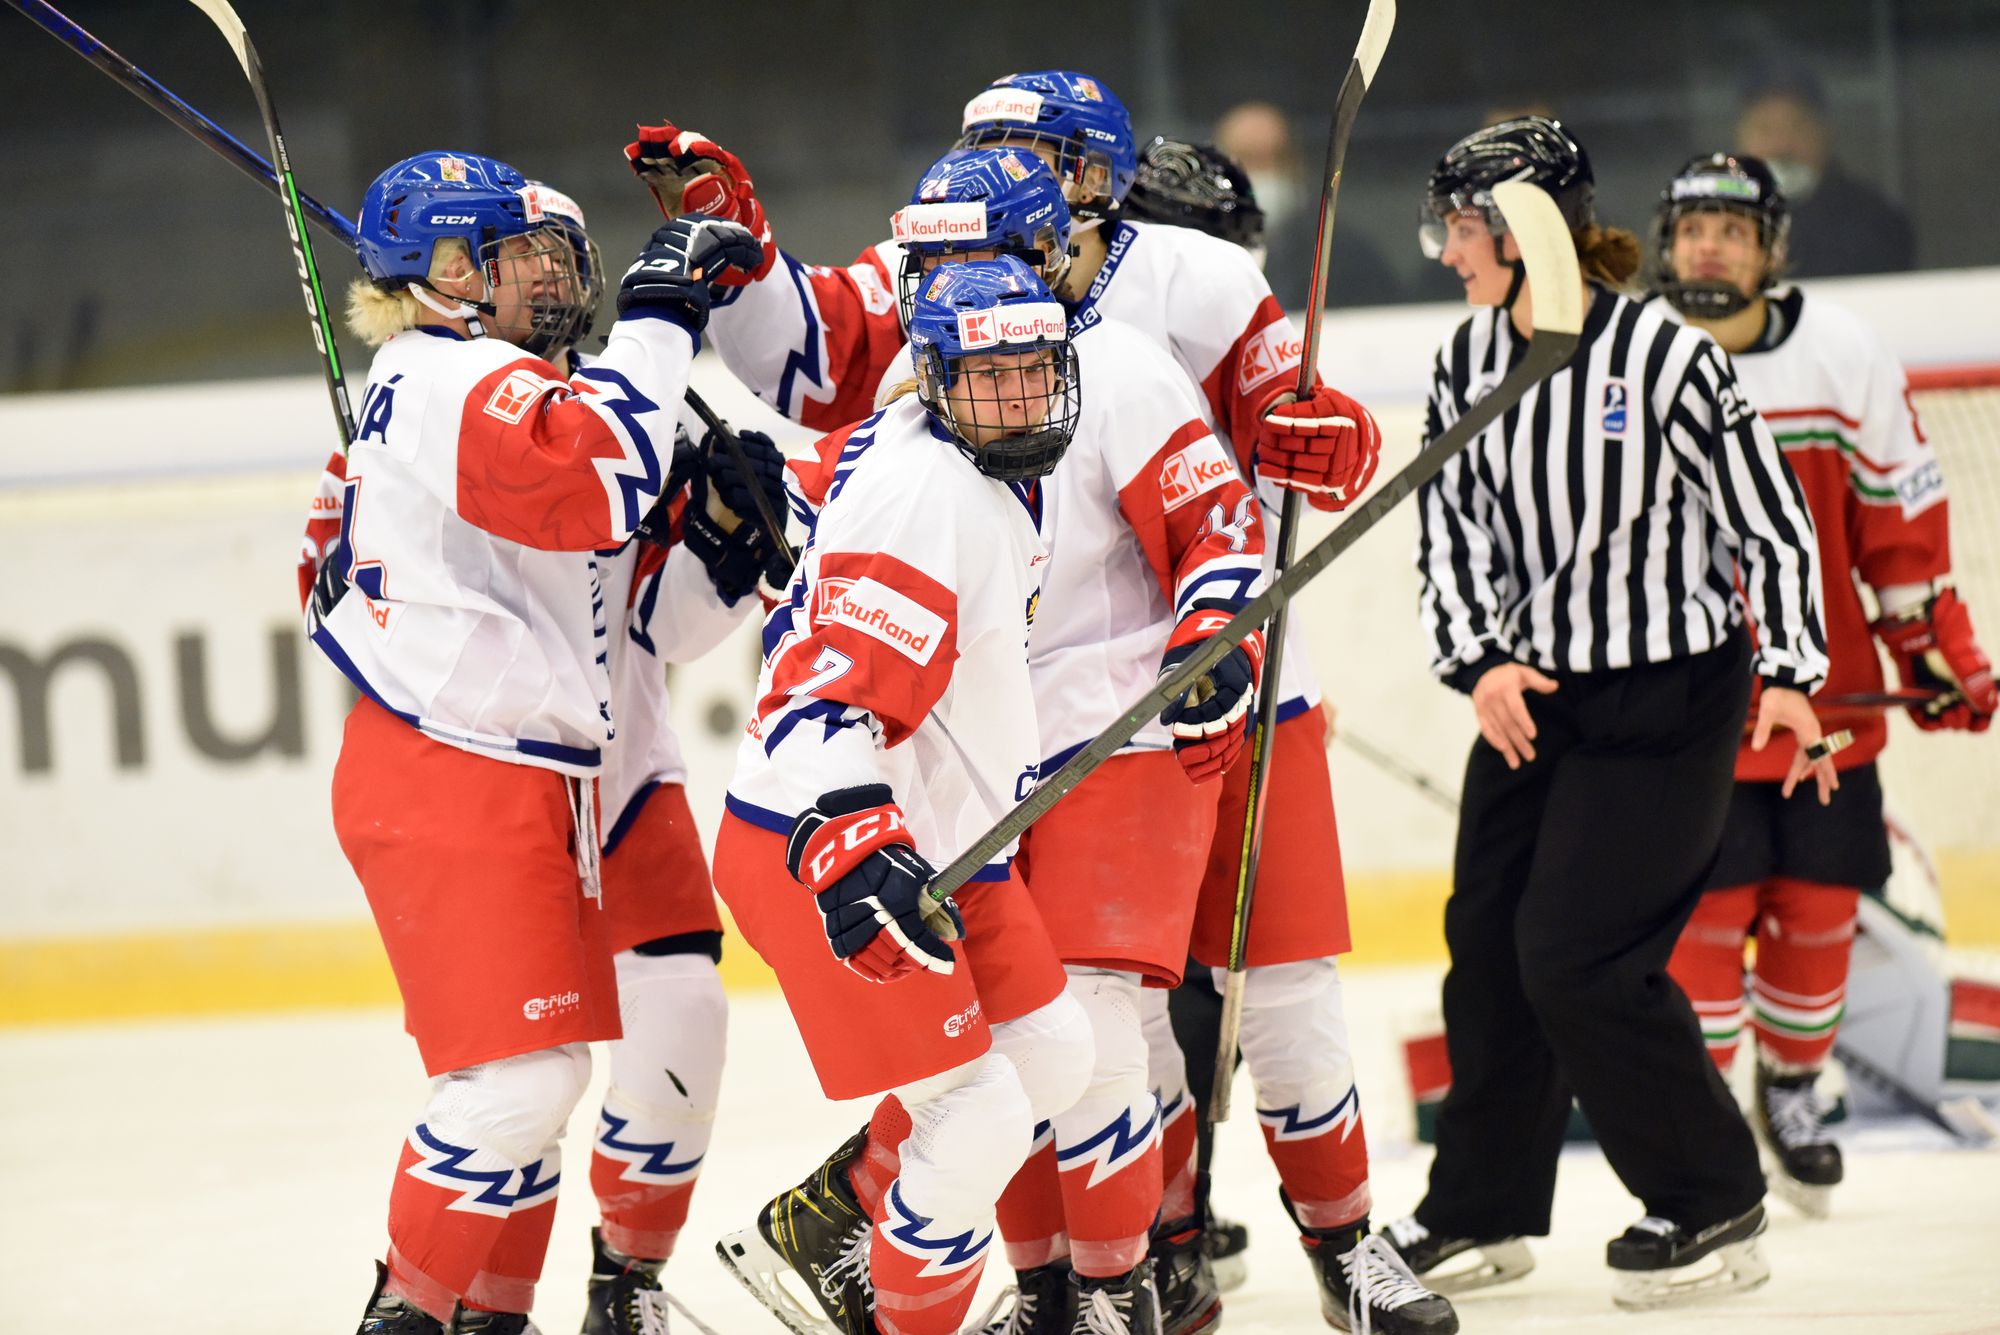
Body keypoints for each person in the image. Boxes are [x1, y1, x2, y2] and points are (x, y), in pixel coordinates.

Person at [629, 73, 1450, 1335]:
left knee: (1272, 998)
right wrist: (731, 315)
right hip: (1042, 756)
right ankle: (1088, 1281)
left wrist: (1261, 539)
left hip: (1204, 702)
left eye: (1027, 180)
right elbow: (817, 366)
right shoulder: (926, 373)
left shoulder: (1162, 312)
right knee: (1083, 1040)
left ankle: (1337, 1249)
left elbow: (1233, 497)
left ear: (1075, 201)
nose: (972, 286)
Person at [1381, 117, 1835, 1312]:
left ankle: (1708, 1200)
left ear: (1530, 229)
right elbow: (1448, 537)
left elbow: (1769, 525)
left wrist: (1789, 672)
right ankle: (1477, 1212)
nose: (1444, 253)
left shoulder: (1668, 361)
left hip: (1664, 698)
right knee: (1485, 952)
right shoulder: (1462, 365)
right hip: (1530, 695)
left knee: (1575, 958)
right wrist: (1474, 660)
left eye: (1462, 229)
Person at [304, 149, 760, 1334]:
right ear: (447, 273)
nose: (556, 279)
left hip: (521, 768)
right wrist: (661, 322)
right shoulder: (456, 384)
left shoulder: (489, 384)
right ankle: (406, 1315)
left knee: (542, 1081)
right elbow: (598, 477)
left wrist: (728, 544)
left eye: (565, 257)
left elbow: (639, 596)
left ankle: (490, 1314)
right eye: (522, 258)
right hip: (457, 766)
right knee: (518, 1081)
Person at [876, 147, 1271, 1335]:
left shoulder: (1117, 368)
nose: (952, 280)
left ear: (1050, 251)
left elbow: (1219, 526)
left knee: (1094, 1033)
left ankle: (1118, 1292)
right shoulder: (917, 389)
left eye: (976, 254)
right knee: (1017, 1044)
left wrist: (1214, 643)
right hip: (985, 762)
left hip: (1119, 742)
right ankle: (1051, 1287)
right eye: (931, 259)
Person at [711, 256, 1098, 1335]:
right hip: (833, 843)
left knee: (1053, 1055)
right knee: (974, 1116)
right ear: (934, 377)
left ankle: (834, 1225)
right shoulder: (931, 495)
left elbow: (829, 475)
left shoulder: (948, 453)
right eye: (989, 376)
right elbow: (823, 694)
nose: (1017, 396)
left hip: (934, 841)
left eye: (1035, 369)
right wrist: (849, 837)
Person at [1648, 151, 1996, 1216]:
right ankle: (1706, 1126)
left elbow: (1896, 534)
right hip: (1686, 718)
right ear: (1663, 243)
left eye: (1731, 229)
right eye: (1690, 226)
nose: (1707, 245)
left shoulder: (1841, 356)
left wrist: (1938, 658)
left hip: (1827, 713)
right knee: (1702, 920)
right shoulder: (1627, 361)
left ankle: (1789, 1089)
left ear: (1770, 251)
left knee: (1817, 910)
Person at [1212, 101, 1402, 306]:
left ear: (1297, 162)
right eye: (1247, 158)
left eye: (1277, 157)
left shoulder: (1343, 252)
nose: (1265, 171)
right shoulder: (1201, 255)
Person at [1734, 62, 1915, 277]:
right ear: (1740, 138)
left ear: (1825, 133)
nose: (1781, 146)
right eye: (1765, 130)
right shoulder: (1714, 222)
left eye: (1797, 127)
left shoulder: (1876, 222)